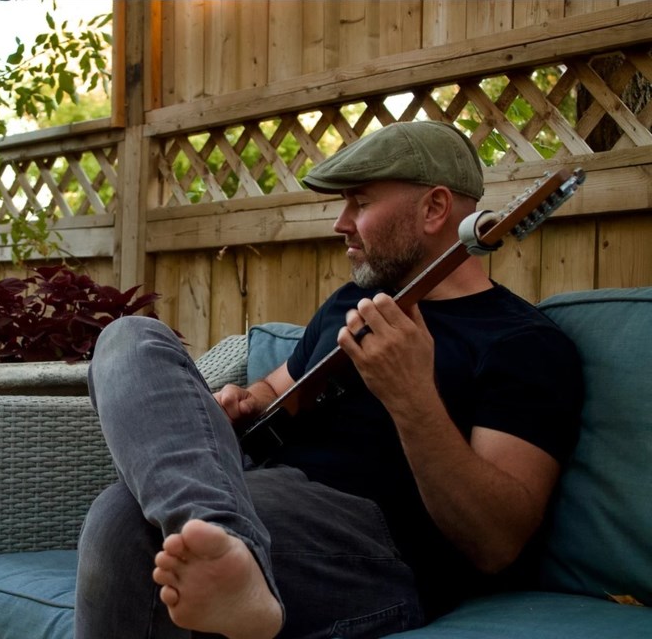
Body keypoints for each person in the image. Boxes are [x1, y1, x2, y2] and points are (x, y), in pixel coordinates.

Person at [74, 121, 583, 639]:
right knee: (128, 336)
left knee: (123, 518)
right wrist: (244, 399)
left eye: (359, 202)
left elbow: (495, 541)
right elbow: (277, 387)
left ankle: (230, 551)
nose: (341, 223)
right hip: (260, 491)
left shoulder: (523, 344)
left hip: (375, 547)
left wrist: (412, 396)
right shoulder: (350, 302)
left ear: (433, 209)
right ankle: (230, 546)